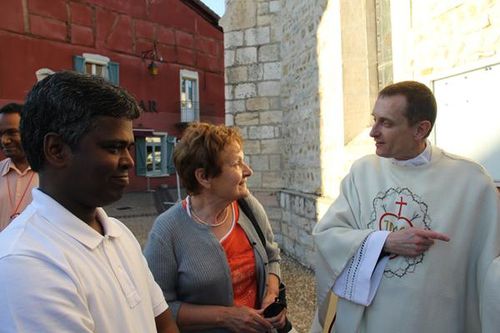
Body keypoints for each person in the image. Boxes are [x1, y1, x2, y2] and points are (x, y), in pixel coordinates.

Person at [311, 81, 500, 333]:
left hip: (435, 319)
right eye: (374, 119)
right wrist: (385, 241)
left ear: (420, 129)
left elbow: (490, 272)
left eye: (386, 123)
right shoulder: (363, 172)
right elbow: (327, 236)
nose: (372, 132)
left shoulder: (472, 183)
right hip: (372, 319)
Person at [0, 71, 179, 333]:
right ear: (56, 150)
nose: (129, 161)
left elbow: (162, 323)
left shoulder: (119, 233)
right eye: (113, 147)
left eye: (128, 148)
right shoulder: (24, 262)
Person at [144, 122, 287, 333]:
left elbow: (272, 256)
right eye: (237, 164)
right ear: (204, 177)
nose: (248, 171)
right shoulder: (167, 231)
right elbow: (157, 306)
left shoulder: (247, 206)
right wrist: (226, 317)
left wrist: (272, 295)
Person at [0, 102, 39, 230]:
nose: (4, 140)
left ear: (29, 131)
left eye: (11, 132)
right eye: (0, 134)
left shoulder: (50, 174)